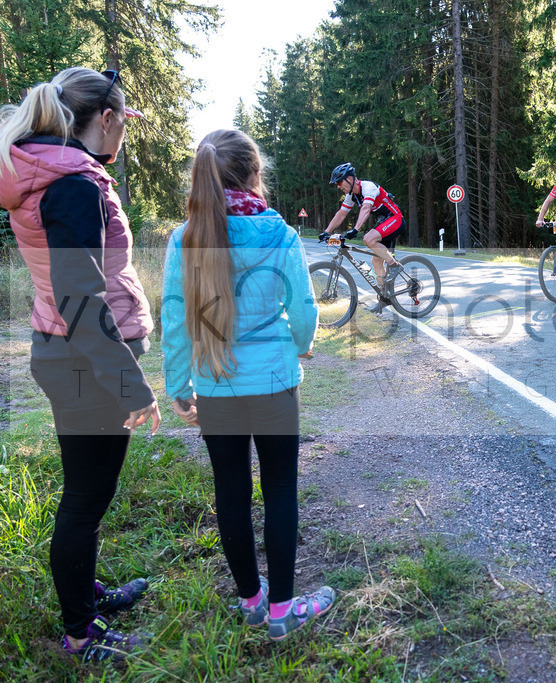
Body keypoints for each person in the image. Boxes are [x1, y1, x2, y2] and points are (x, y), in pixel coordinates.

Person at [0, 67, 159, 662]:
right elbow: (79, 295)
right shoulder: (73, 185)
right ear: (108, 119)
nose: (124, 139)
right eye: (124, 126)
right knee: (86, 500)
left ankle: (83, 598)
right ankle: (80, 635)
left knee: (83, 494)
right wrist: (131, 383)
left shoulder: (50, 172)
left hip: (64, 353)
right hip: (85, 363)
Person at [161, 129, 333, 641]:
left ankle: (251, 601)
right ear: (255, 176)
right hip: (276, 383)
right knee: (281, 490)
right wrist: (303, 343)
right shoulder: (278, 232)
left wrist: (178, 382)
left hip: (214, 385)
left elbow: (174, 317)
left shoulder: (185, 236)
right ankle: (282, 610)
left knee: (230, 491)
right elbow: (302, 306)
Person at [320, 163, 406, 314]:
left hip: (395, 219)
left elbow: (366, 208)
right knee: (376, 262)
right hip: (383, 222)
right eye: (337, 184)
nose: (339, 186)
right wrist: (326, 231)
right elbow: (341, 214)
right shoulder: (351, 196)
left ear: (350, 179)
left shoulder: (368, 187)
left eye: (340, 182)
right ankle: (385, 299)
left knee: (368, 239)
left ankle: (394, 265)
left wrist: (355, 229)